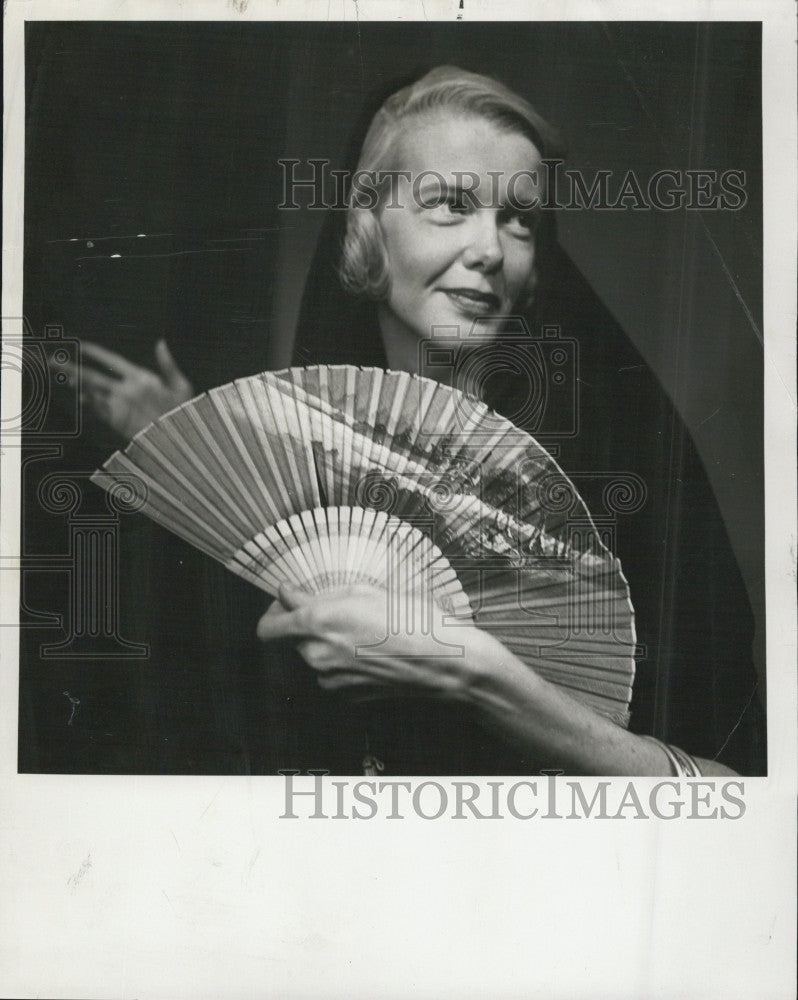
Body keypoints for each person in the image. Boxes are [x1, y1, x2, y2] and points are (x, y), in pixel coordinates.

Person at [69, 67, 765, 776]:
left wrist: (469, 671)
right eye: (450, 205)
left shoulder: (626, 479)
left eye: (519, 218)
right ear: (366, 228)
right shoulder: (295, 477)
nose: (491, 249)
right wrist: (197, 452)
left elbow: (734, 797)